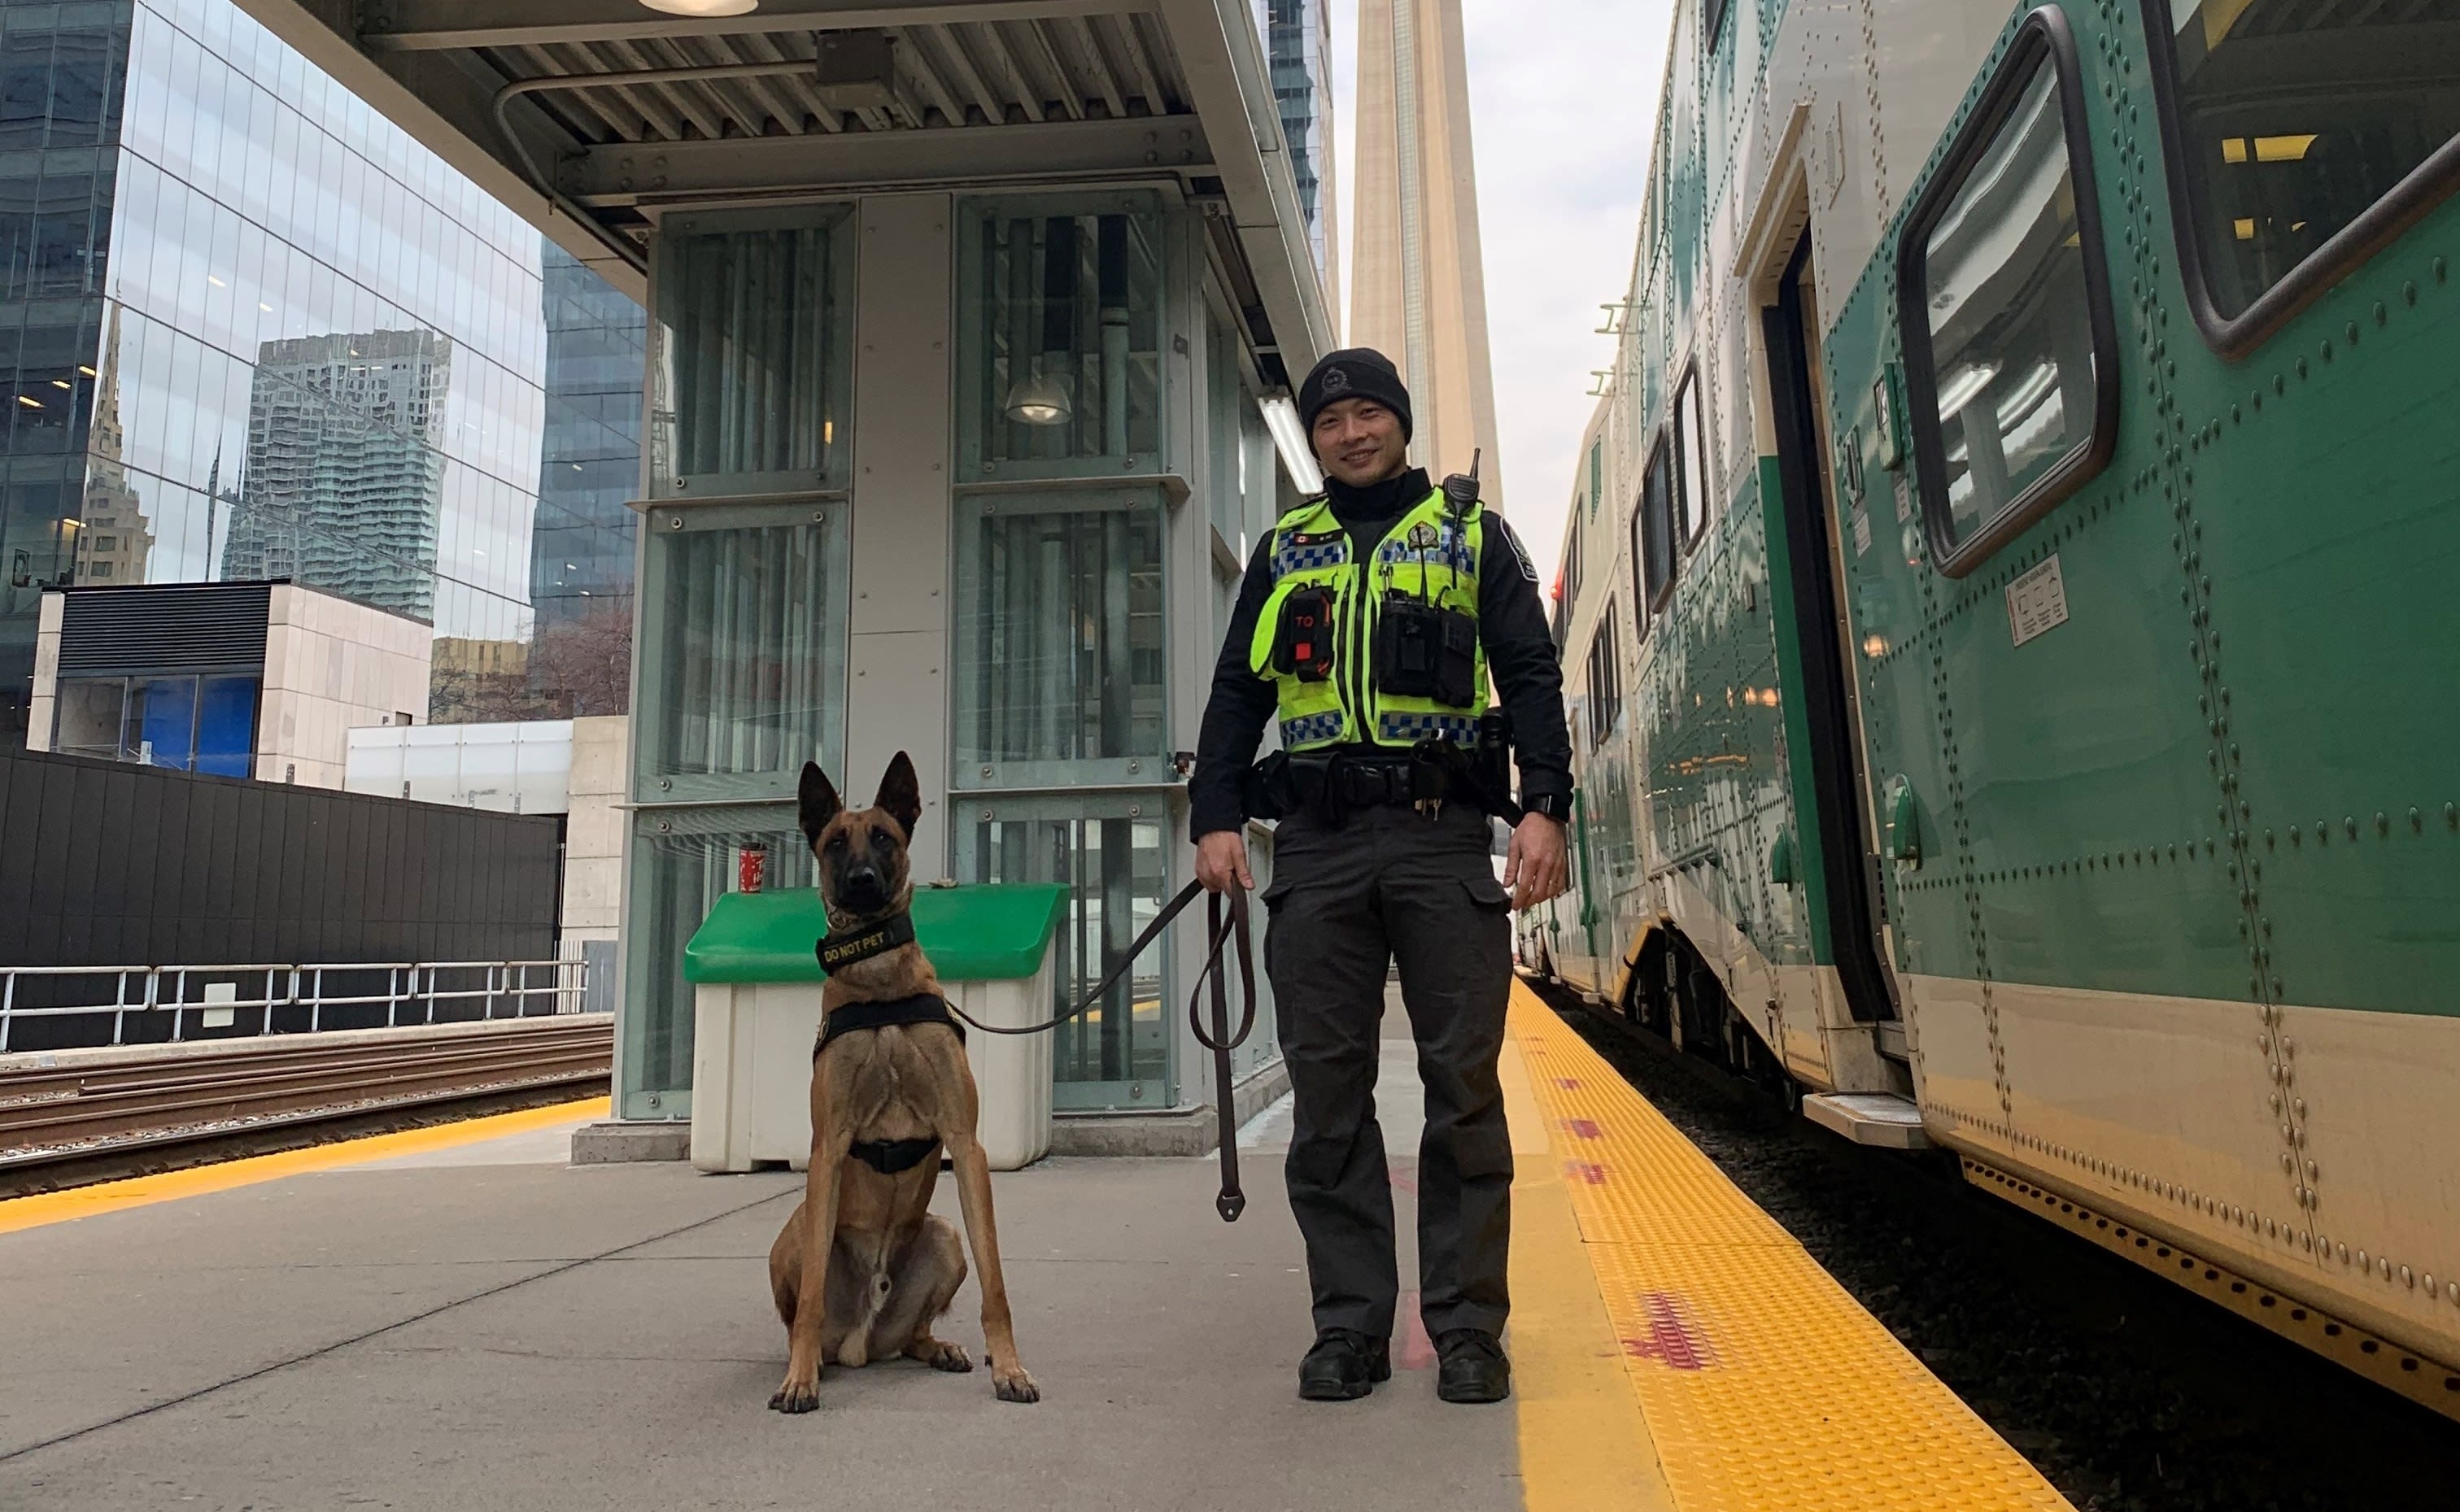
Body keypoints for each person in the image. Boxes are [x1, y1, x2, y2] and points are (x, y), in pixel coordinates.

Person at [1190, 347, 1572, 1405]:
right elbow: (1238, 692)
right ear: (1311, 439)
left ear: (1400, 421)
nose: (1352, 433)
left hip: (1441, 837)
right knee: (1328, 1098)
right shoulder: (1286, 550)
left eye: (1369, 413)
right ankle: (1349, 1329)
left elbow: (1531, 671)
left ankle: (1466, 1331)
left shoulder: (1471, 538)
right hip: (1315, 849)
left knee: (1462, 1093)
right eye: (1331, 420)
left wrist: (1546, 802)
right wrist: (1213, 812)